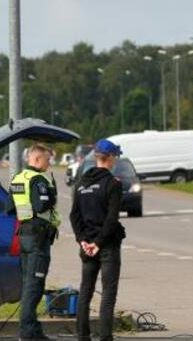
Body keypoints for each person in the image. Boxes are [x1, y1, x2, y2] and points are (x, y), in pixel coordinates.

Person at [70, 139, 126, 341]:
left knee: (85, 291)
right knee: (108, 295)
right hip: (106, 246)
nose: (116, 160)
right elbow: (111, 220)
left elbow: (74, 216)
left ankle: (82, 336)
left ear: (96, 157)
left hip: (87, 247)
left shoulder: (81, 183)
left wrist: (83, 241)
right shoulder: (113, 184)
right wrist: (99, 243)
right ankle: (105, 337)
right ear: (109, 158)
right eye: (115, 157)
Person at [10, 143, 60, 341]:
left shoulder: (17, 178)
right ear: (37, 160)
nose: (49, 164)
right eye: (47, 159)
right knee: (34, 285)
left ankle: (34, 330)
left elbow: (9, 207)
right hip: (38, 237)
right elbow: (41, 204)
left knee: (28, 284)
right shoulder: (38, 180)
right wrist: (51, 195)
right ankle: (27, 332)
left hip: (24, 235)